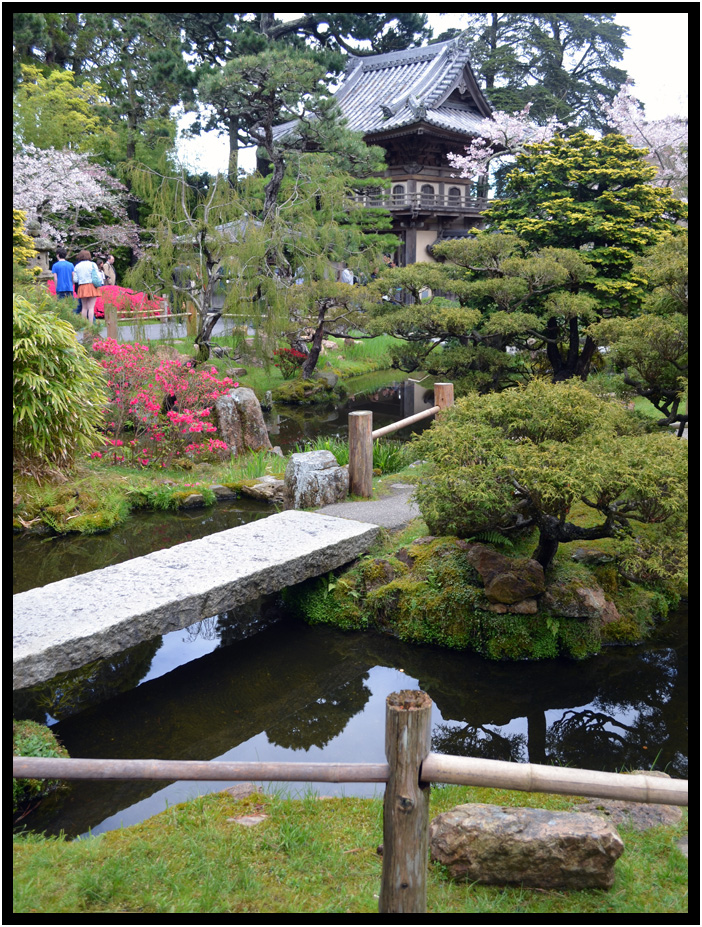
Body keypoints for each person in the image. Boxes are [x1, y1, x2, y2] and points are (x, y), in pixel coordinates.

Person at [72, 250, 103, 325]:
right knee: (91, 307)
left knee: (84, 307)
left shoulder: (77, 266)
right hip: (91, 286)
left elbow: (75, 280)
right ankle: (91, 325)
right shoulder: (92, 264)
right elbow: (98, 276)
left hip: (82, 287)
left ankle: (84, 324)